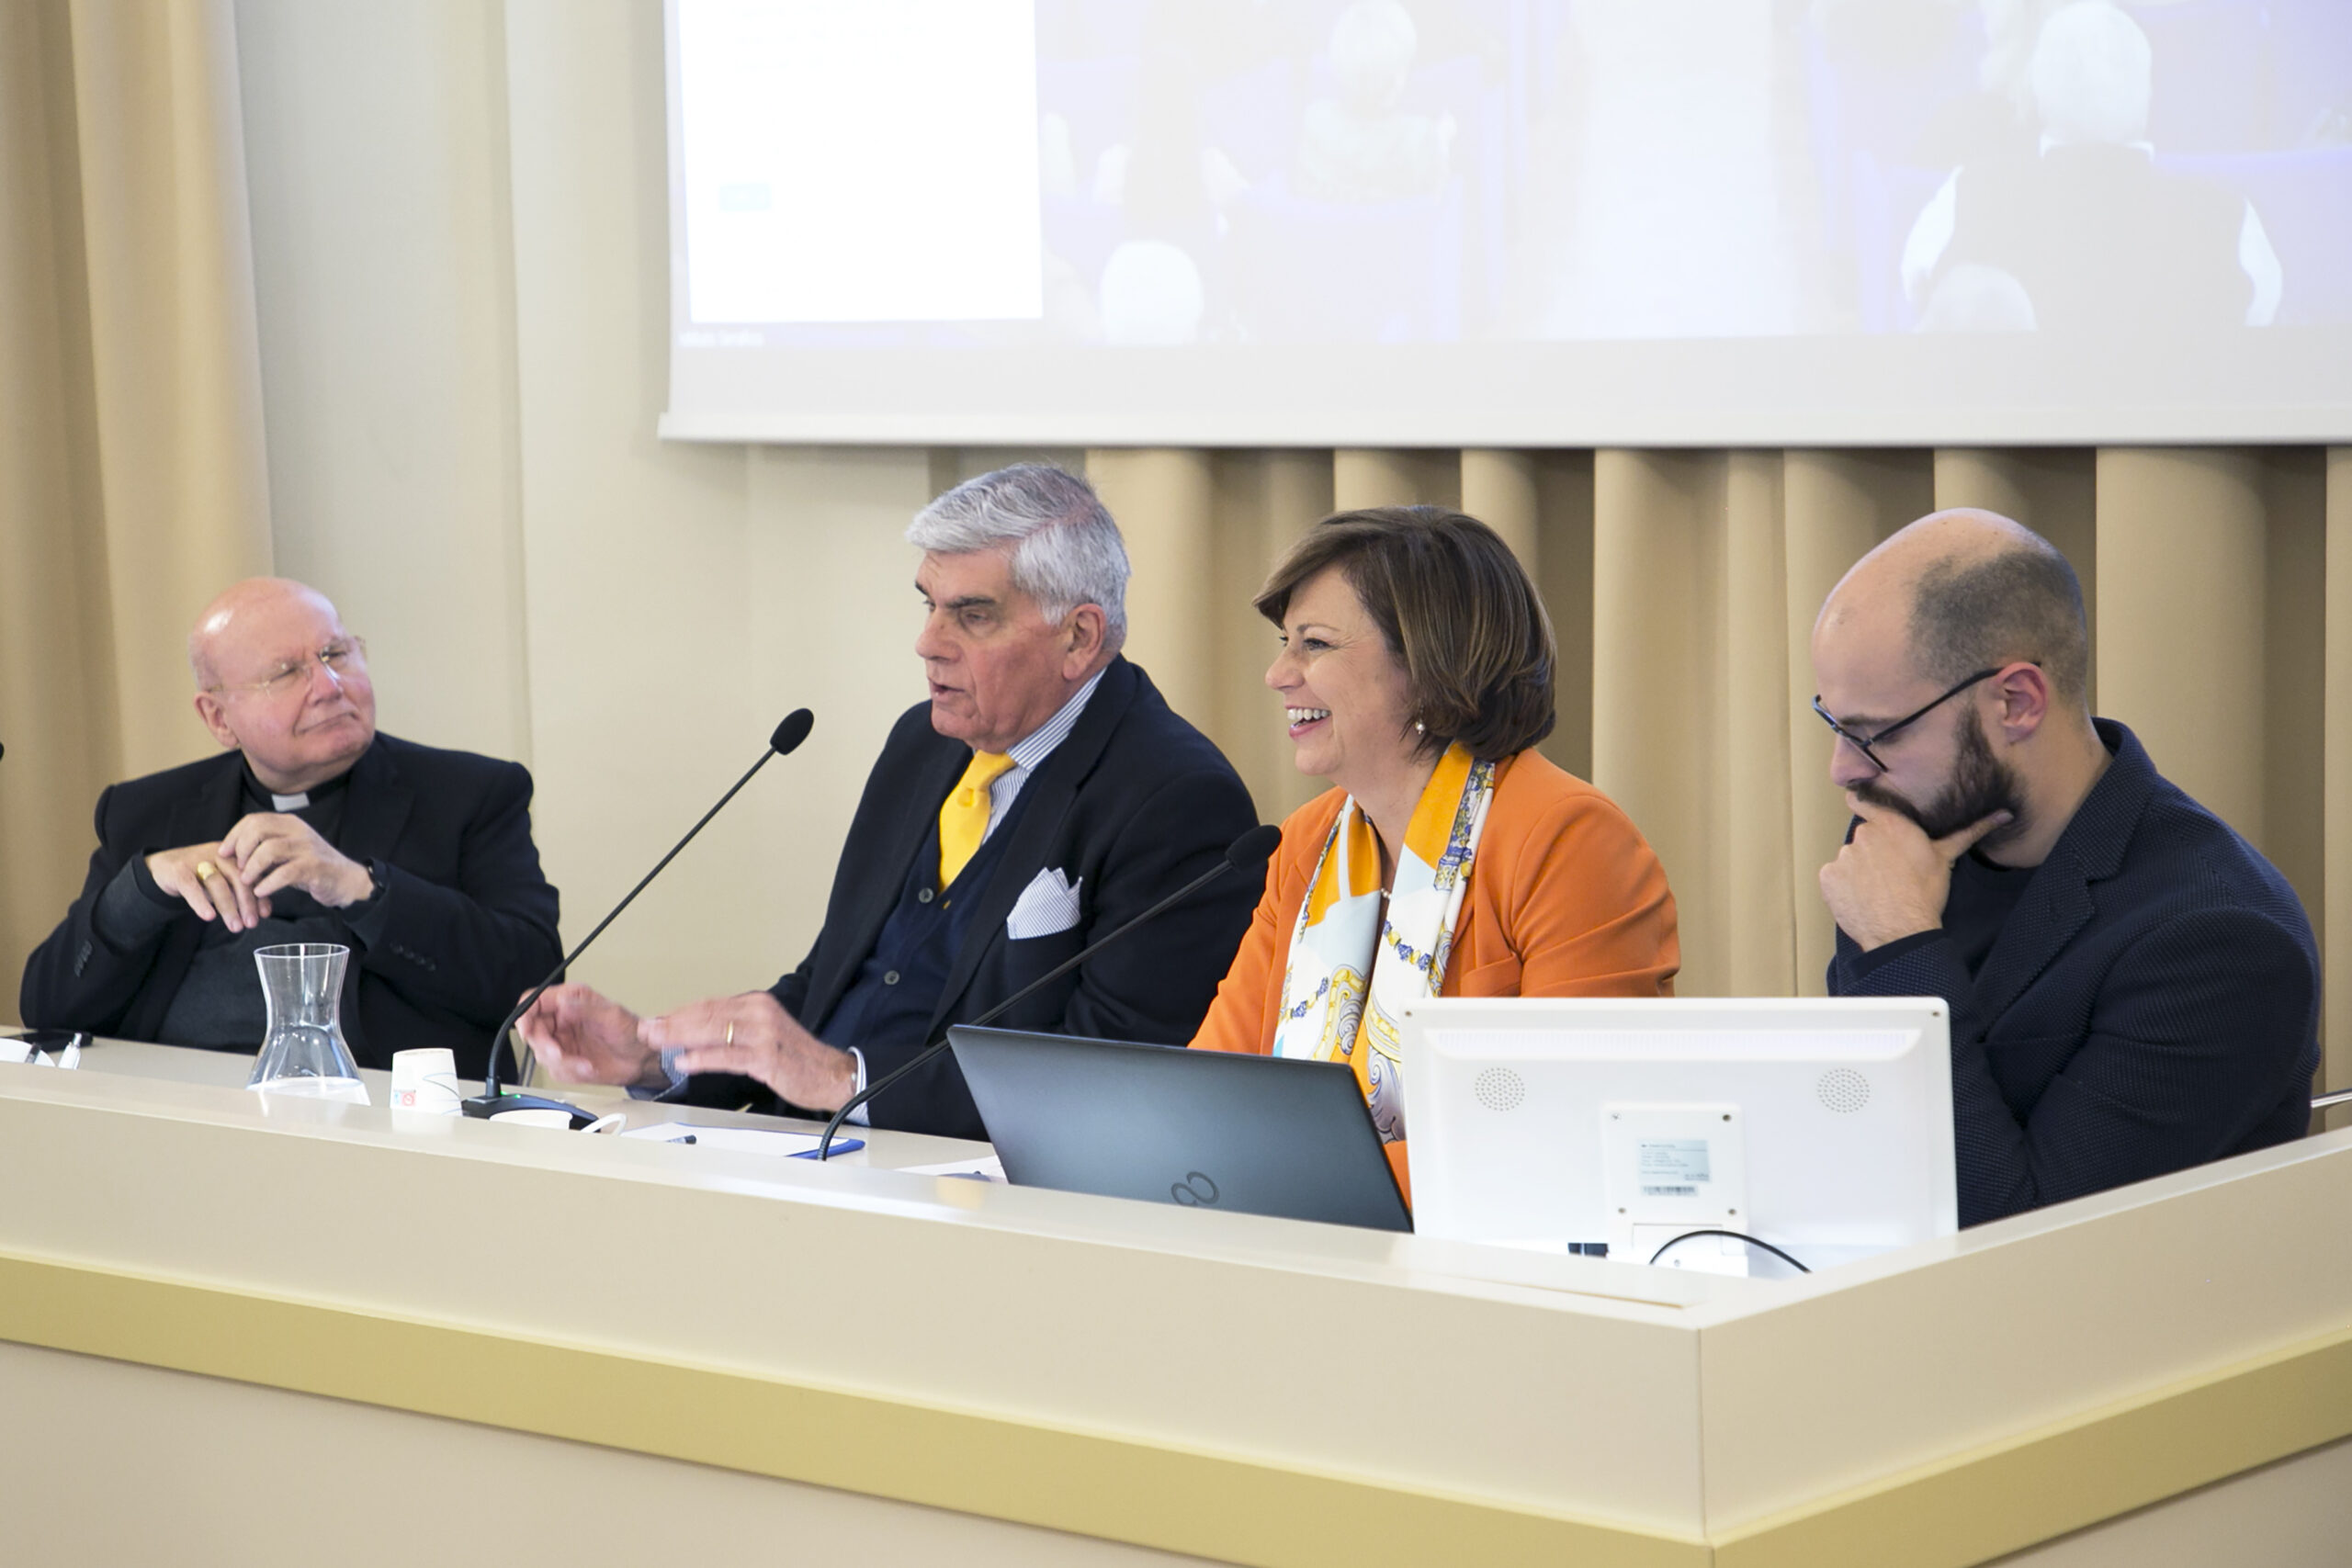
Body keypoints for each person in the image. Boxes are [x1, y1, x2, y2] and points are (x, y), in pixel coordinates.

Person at [518, 465, 1259, 1140]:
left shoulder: (1176, 799)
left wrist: (848, 1081)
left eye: (972, 615)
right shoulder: (922, 745)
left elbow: (1110, 1075)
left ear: (1079, 636)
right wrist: (657, 1056)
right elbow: (831, 986)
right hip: (805, 1159)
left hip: (975, 1194)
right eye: (929, 605)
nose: (927, 642)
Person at [1811, 509, 2318, 1227]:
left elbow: (2026, 1237)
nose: (1844, 770)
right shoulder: (1903, 839)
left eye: (1874, 734)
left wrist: (1902, 948)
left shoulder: (2220, 938)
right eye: (1834, 724)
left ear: (2016, 702)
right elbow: (1853, 1135)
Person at [1191, 506, 1679, 1200]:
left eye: (1315, 644)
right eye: (1284, 642)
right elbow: (1216, 1088)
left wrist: (1284, 1181)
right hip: (1304, 1231)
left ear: (1427, 664)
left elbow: (1569, 1132)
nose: (1278, 674)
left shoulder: (1567, 839)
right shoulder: (1307, 841)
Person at [19, 579, 562, 1077]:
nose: (329, 686)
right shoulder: (147, 810)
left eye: (335, 654)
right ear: (218, 718)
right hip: (176, 1109)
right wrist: (140, 890)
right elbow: (47, 1011)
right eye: (285, 673)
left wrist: (361, 888)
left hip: (386, 1118)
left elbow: (536, 984)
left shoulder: (469, 794)